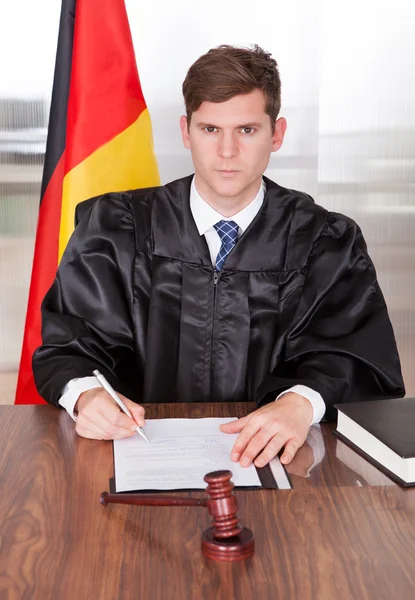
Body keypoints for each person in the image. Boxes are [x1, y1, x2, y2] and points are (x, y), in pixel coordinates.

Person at [33, 44, 405, 469]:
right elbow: (70, 342)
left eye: (246, 130)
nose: (227, 152)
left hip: (279, 471)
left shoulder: (326, 241)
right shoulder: (116, 228)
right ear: (186, 131)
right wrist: (86, 394)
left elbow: (355, 357)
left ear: (277, 133)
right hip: (135, 461)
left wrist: (301, 403)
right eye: (210, 129)